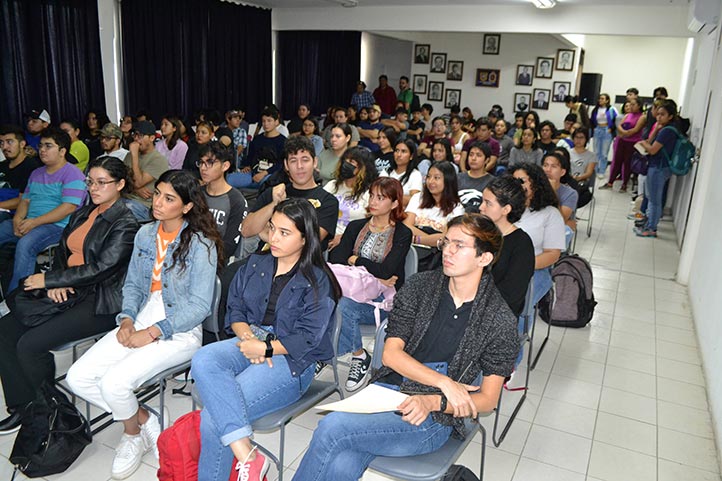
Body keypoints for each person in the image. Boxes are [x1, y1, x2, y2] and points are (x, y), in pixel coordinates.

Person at [292, 213, 519, 481]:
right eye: (446, 242)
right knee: (343, 457)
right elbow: (390, 354)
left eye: (459, 245)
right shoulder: (421, 286)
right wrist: (445, 382)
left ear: (485, 258)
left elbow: (488, 400)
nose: (448, 251)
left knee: (332, 427)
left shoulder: (499, 320)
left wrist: (433, 399)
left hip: (433, 417)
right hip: (388, 390)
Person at [67, 169, 222, 480]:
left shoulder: (201, 245)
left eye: (169, 198)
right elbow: (134, 286)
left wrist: (153, 332)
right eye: (157, 194)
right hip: (142, 316)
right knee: (78, 377)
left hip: (180, 327)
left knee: (114, 383)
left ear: (187, 207)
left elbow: (199, 307)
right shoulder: (145, 234)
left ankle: (131, 436)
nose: (158, 203)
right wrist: (125, 319)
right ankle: (143, 417)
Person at [192, 197, 340, 481]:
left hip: (292, 358)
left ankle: (245, 457)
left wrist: (267, 348)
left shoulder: (318, 279)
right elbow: (234, 309)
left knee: (213, 418)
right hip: (252, 339)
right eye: (272, 228)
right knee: (203, 357)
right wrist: (250, 340)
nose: (273, 237)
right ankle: (248, 454)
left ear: (305, 238)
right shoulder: (256, 263)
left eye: (284, 233)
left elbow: (308, 339)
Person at [0, 156, 138, 434]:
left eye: (102, 183)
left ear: (120, 184)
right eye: (90, 182)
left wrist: (51, 278)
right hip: (69, 289)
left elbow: (102, 268)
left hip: (101, 300)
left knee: (30, 344)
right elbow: (63, 253)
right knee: (4, 329)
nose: (93, 188)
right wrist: (56, 282)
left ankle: (50, 412)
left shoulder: (126, 221)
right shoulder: (84, 213)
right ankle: (23, 406)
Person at [328, 177, 412, 390]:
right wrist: (370, 269)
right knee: (326, 299)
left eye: (381, 198)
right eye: (372, 195)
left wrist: (356, 260)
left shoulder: (402, 233)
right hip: (353, 291)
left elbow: (388, 271)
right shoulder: (357, 226)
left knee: (343, 306)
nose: (373, 201)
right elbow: (335, 258)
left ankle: (357, 356)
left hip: (383, 302)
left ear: (394, 204)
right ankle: (335, 352)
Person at [0, 128, 86, 293]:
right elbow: (25, 200)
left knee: (26, 244)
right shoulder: (36, 173)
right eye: (41, 146)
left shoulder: (73, 174)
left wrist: (34, 223)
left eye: (48, 146)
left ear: (62, 151)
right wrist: (18, 220)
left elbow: (68, 207)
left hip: (58, 226)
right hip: (30, 223)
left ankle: (16, 298)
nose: (42, 150)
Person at [241, 136, 339, 251]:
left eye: (305, 160)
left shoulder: (327, 201)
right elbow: (246, 231)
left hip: (301, 266)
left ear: (315, 162)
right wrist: (274, 204)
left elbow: (308, 242)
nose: (299, 166)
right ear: (286, 165)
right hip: (262, 261)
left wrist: (265, 231)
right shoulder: (274, 193)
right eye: (293, 161)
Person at [510, 162, 565, 304]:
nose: (517, 185)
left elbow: (552, 254)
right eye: (513, 181)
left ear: (536, 184)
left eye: (521, 181)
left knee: (512, 306)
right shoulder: (506, 208)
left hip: (534, 269)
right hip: (502, 266)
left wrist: (520, 264)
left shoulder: (550, 214)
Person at [479, 176, 535, 317]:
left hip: (496, 316)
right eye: (482, 201)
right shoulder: (477, 232)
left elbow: (511, 297)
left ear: (506, 209)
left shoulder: (521, 244)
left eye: (488, 203)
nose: (481, 207)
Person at [404, 162, 464, 271]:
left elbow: (445, 238)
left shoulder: (456, 208)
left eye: (436, 178)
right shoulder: (418, 198)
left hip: (435, 259)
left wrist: (416, 239)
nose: (430, 181)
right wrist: (432, 239)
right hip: (409, 251)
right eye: (428, 177)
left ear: (448, 180)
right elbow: (406, 226)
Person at [634, 99, 678, 238]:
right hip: (656, 166)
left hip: (658, 168)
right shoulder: (663, 129)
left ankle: (651, 228)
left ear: (670, 116)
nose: (658, 117)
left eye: (663, 114)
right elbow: (650, 142)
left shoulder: (668, 132)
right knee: (650, 197)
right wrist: (656, 129)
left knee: (654, 200)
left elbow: (652, 149)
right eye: (658, 114)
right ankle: (649, 223)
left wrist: (643, 143)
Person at [198, 141, 248, 260]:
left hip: (217, 261)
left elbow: (230, 245)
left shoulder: (236, 200)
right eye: (201, 163)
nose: (203, 168)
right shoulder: (196, 193)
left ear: (225, 166)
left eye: (209, 163)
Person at [324, 147, 378, 249]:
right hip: (325, 237)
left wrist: (343, 238)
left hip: (352, 242)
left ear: (363, 168)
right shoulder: (332, 185)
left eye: (352, 162)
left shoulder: (369, 194)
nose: (346, 164)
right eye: (345, 160)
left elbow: (372, 225)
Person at [229, 108, 287, 190]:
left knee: (269, 184)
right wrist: (247, 166)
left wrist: (264, 173)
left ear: (276, 122)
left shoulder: (283, 141)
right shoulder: (257, 139)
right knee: (229, 179)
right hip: (253, 173)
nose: (266, 124)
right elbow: (250, 157)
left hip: (271, 175)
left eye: (269, 121)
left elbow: (281, 164)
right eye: (263, 121)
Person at [123, 121, 169, 221]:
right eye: (134, 135)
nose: (135, 139)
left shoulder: (158, 160)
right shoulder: (128, 156)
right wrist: (135, 189)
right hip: (125, 198)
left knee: (122, 213)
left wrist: (134, 156)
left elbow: (138, 182)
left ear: (152, 138)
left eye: (140, 136)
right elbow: (121, 180)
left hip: (144, 205)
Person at [600, 97, 646, 192]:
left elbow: (636, 129)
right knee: (616, 160)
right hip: (622, 140)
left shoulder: (642, 117)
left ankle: (624, 185)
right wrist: (623, 132)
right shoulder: (627, 115)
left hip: (632, 142)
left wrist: (626, 133)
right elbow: (619, 125)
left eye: (633, 105)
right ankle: (610, 182)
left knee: (627, 163)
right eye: (630, 104)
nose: (631, 107)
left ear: (639, 106)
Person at [0, 125, 42, 222]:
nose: (4, 147)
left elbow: (24, 200)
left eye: (9, 142)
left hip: (12, 214)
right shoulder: (2, 165)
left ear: (22, 144)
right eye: (1, 143)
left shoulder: (32, 168)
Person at [380, 139, 423, 208]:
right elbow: (378, 193)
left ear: (411, 156)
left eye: (403, 151)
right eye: (397, 151)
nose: (399, 155)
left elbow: (414, 200)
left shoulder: (415, 174)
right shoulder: (386, 172)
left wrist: (388, 196)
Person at [542, 152, 579, 233]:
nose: (548, 170)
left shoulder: (571, 193)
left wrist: (553, 191)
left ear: (562, 172)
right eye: (545, 165)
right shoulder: (533, 187)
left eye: (553, 166)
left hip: (554, 232)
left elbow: (560, 220)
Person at [458, 142, 495, 213]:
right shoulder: (458, 177)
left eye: (478, 155)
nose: (473, 158)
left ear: (487, 160)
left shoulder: (492, 182)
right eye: (471, 155)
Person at [590, 93, 619, 178]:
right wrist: (594, 128)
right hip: (597, 129)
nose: (600, 100)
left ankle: (602, 170)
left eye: (602, 99)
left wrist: (611, 129)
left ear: (607, 100)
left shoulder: (611, 109)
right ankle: (595, 170)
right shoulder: (595, 109)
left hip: (607, 130)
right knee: (596, 152)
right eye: (599, 98)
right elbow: (592, 120)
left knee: (604, 153)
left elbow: (616, 120)